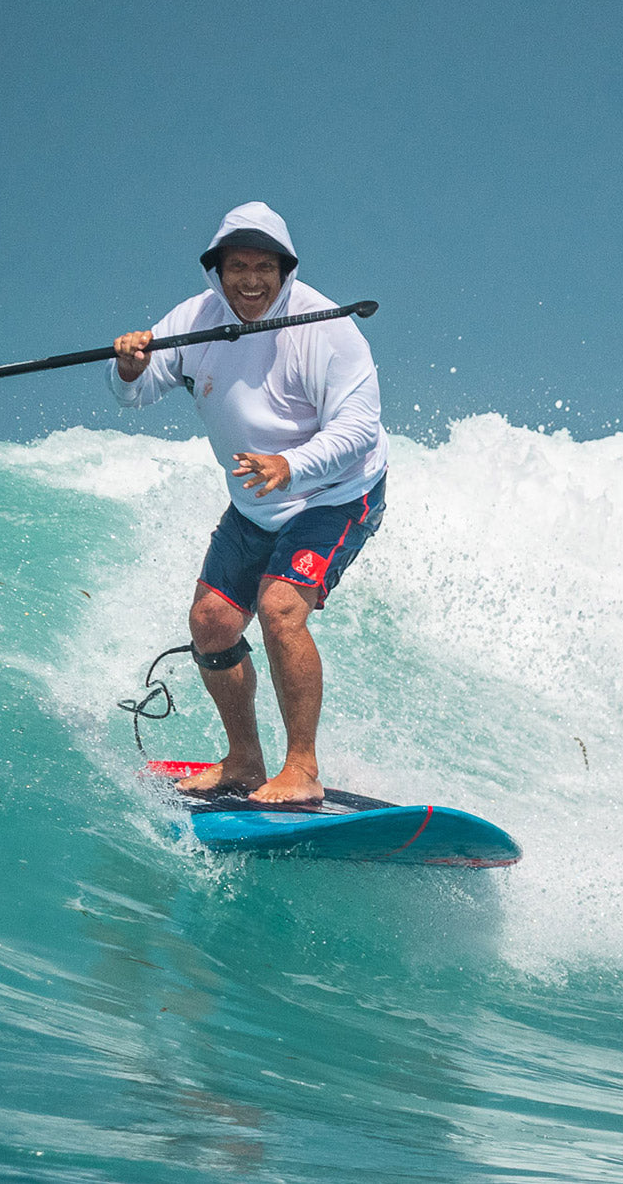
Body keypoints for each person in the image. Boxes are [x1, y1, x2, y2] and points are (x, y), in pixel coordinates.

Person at [109, 202, 388, 804]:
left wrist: (293, 466)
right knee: (211, 623)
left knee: (281, 607)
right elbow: (136, 394)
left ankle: (302, 770)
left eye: (266, 266)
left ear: (285, 270)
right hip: (256, 503)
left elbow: (360, 431)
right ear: (217, 269)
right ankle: (243, 760)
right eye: (238, 266)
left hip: (335, 493)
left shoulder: (327, 327)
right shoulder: (196, 317)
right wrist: (130, 368)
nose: (252, 280)